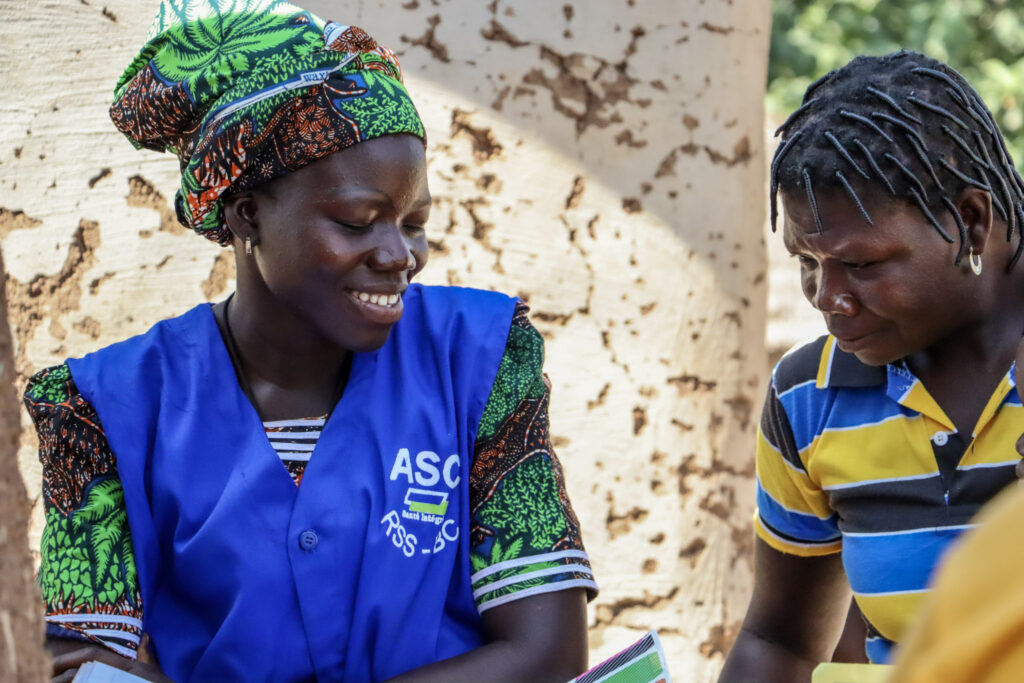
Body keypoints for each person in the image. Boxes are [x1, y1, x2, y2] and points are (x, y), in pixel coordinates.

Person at [26, 2, 596, 682]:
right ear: (247, 215)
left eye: (413, 223)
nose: (399, 255)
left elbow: (545, 650)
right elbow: (82, 667)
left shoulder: (480, 359)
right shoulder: (104, 409)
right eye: (359, 220)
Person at [718, 51, 1024, 682]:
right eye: (807, 261)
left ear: (969, 221)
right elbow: (779, 641)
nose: (829, 298)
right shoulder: (810, 398)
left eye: (861, 265)